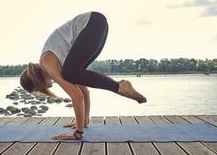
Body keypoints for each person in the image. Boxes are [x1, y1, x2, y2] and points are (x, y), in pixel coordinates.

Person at [20, 11, 147, 140]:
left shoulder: (47, 63)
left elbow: (76, 96)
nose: (45, 90)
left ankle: (120, 86)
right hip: (97, 23)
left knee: (69, 73)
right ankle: (120, 87)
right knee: (73, 74)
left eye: (39, 89)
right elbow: (84, 92)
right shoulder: (57, 64)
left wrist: (78, 133)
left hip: (91, 24)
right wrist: (84, 121)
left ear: (37, 81)